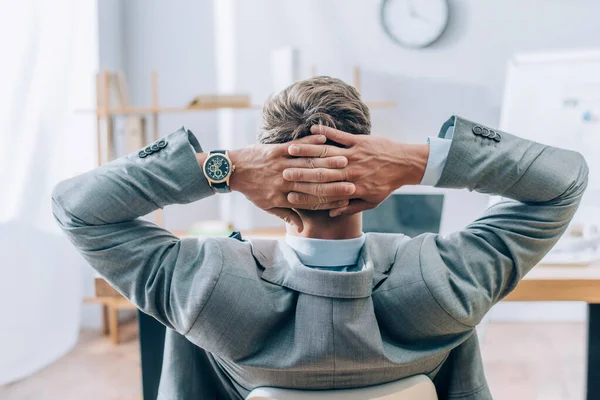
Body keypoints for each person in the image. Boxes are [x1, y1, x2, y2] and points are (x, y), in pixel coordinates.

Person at [52, 76, 588, 400]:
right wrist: (414, 162)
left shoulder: (208, 285)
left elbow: (76, 209)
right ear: (369, 159)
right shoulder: (446, 280)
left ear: (267, 179)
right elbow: (565, 181)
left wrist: (223, 167)